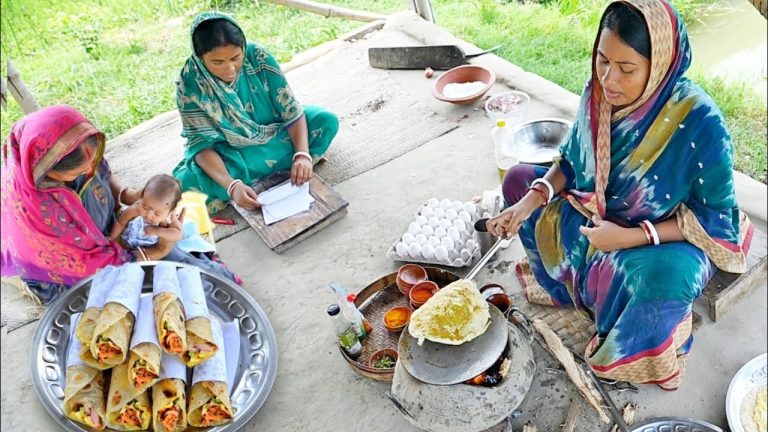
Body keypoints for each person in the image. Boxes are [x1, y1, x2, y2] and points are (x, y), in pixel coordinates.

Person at [487, 0, 753, 390]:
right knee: (519, 179)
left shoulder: (699, 122)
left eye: (627, 69)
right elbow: (574, 164)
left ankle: (639, 345)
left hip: (659, 238)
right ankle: (570, 287)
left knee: (668, 278)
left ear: (659, 66)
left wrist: (628, 237)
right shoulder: (599, 95)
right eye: (602, 60)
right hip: (596, 214)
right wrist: (529, 200)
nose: (609, 79)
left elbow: (715, 219)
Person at [173, 11, 339, 213]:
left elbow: (291, 112)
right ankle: (255, 177)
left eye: (235, 57)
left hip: (275, 133)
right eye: (217, 62)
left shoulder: (258, 57)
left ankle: (291, 163)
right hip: (232, 153)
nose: (230, 69)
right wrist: (231, 185)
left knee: (325, 121)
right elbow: (200, 145)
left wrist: (303, 155)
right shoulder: (189, 83)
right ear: (200, 58)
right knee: (185, 185)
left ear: (243, 47)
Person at [109, 173, 239, 281]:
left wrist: (157, 230)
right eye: (146, 206)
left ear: (171, 210)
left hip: (160, 246)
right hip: (135, 247)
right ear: (142, 197)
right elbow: (121, 222)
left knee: (187, 264)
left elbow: (177, 234)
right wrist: (112, 240)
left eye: (157, 213)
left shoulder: (170, 218)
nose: (148, 215)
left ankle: (224, 275)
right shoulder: (137, 209)